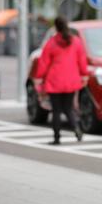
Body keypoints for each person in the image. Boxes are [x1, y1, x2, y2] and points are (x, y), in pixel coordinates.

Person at [34, 17, 88, 145]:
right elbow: (82, 60)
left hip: (54, 81)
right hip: (71, 80)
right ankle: (76, 128)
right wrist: (84, 75)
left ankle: (57, 137)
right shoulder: (76, 42)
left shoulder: (51, 43)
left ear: (56, 27)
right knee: (68, 108)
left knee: (56, 110)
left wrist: (39, 77)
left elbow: (43, 62)